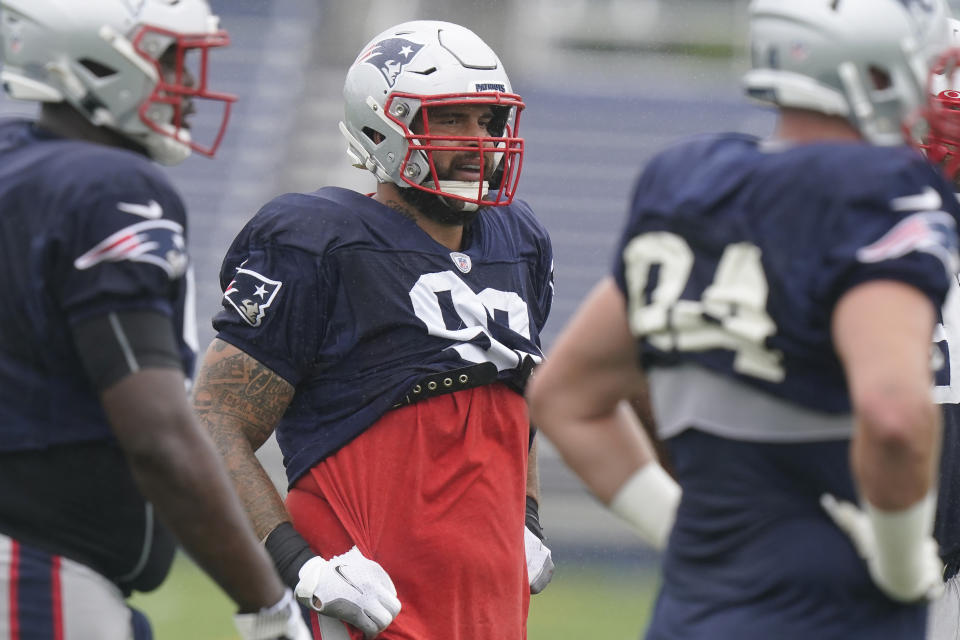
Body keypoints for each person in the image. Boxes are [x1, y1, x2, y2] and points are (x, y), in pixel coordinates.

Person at [526, 0, 960, 638]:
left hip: (707, 599)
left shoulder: (692, 187)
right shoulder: (883, 199)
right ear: (865, 73)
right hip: (843, 598)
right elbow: (895, 416)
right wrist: (900, 561)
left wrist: (680, 529)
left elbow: (564, 394)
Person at [190, 19, 555, 640]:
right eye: (453, 120)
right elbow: (213, 421)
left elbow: (514, 400)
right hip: (360, 601)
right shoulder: (318, 242)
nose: (481, 142)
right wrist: (298, 566)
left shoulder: (519, 243)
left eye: (489, 122)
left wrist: (527, 516)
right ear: (383, 124)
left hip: (489, 606)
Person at [0, 1, 310, 638]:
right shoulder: (108, 186)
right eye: (170, 59)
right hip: (40, 563)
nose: (188, 86)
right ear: (94, 57)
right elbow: (157, 435)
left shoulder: (20, 163)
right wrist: (269, 603)